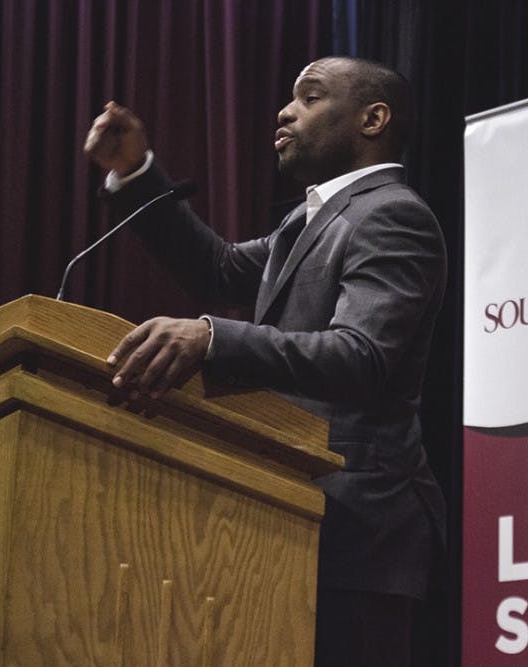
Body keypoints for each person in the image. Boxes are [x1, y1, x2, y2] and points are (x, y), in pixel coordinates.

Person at [85, 56, 446, 666]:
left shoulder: (392, 214)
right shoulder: (307, 223)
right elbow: (217, 269)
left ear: (373, 118)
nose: (284, 111)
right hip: (286, 510)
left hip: (360, 528)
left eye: (309, 97)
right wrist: (136, 173)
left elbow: (361, 356)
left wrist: (211, 338)